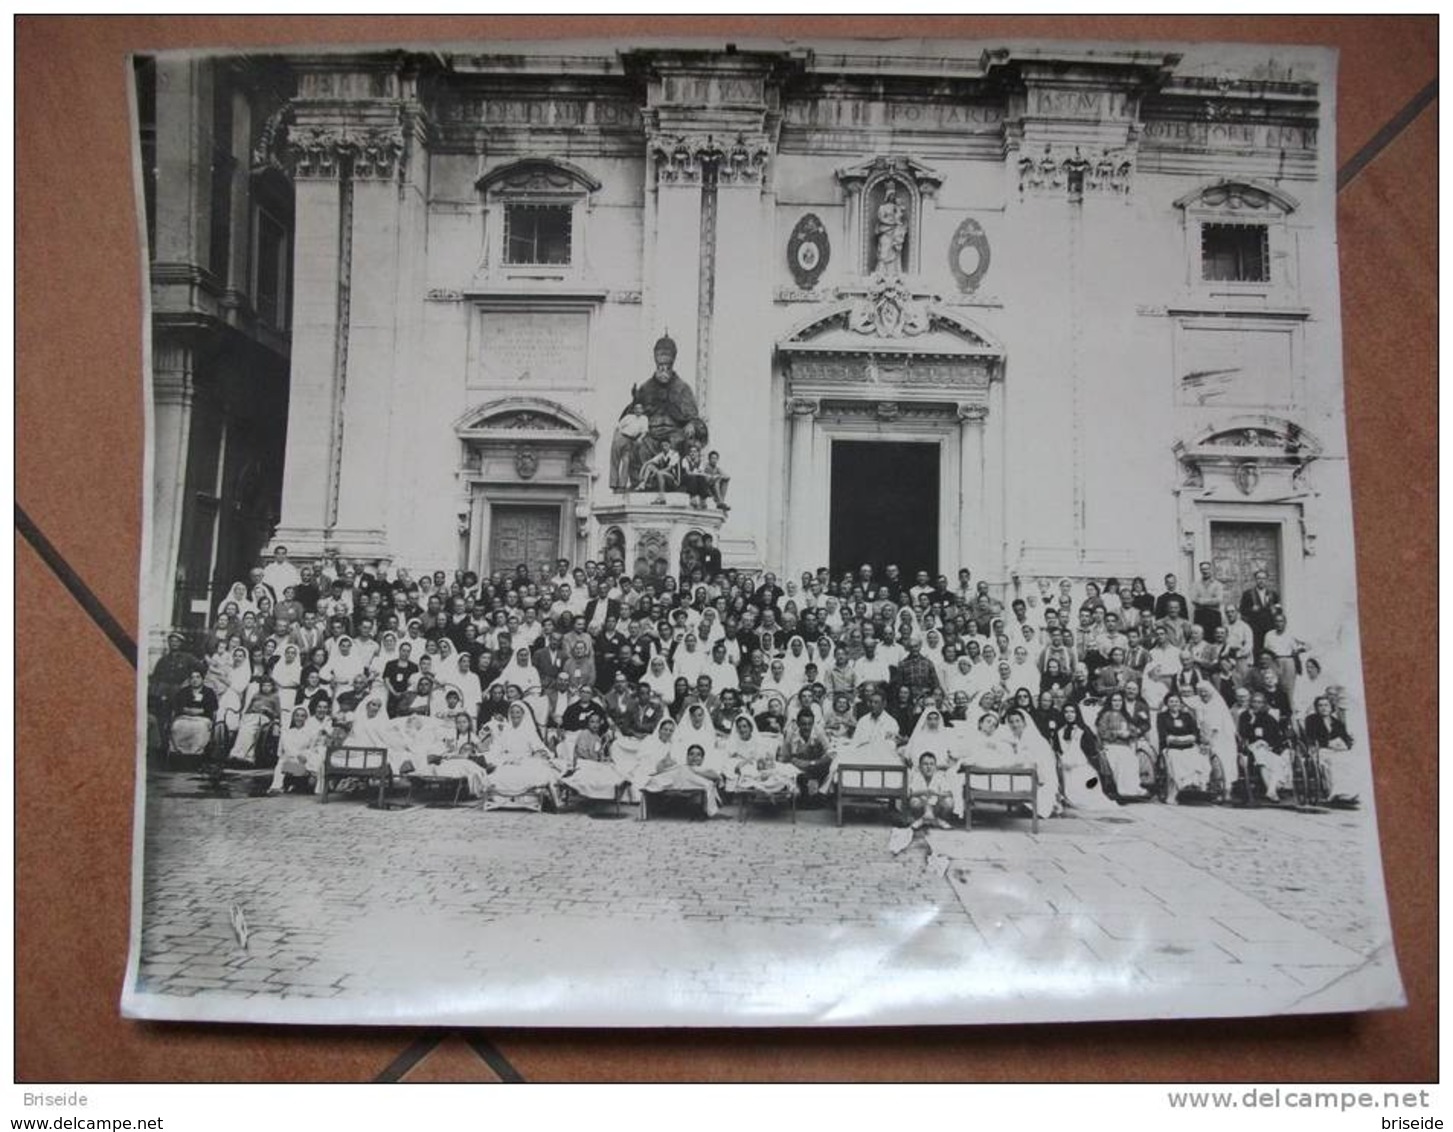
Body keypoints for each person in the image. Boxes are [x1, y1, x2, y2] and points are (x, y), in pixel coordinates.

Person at [609, 334, 707, 492]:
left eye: (667, 360)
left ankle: (674, 482)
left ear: (673, 360)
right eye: (660, 360)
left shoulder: (683, 388)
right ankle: (636, 484)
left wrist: (690, 424)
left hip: (674, 433)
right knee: (636, 445)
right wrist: (634, 400)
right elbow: (632, 414)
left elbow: (694, 418)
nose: (663, 367)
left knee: (678, 443)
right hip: (650, 434)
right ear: (655, 359)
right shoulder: (646, 387)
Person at [1305, 694, 1364, 805]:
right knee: (1334, 761)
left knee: (1350, 760)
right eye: (1320, 705)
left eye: (1326, 705)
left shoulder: (1337, 723)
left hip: (1337, 751)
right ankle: (1335, 793)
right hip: (1320, 750)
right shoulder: (1311, 720)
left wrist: (1345, 744)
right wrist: (1328, 743)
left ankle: (1349, 792)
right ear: (1316, 708)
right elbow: (1310, 736)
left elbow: (1345, 738)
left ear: (1331, 707)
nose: (1323, 708)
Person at [906, 752, 957, 830]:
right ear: (920, 767)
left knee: (949, 802)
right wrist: (925, 791)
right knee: (914, 801)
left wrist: (936, 793)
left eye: (931, 764)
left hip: (936, 807)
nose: (929, 767)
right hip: (922, 806)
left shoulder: (939, 776)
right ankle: (921, 820)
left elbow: (949, 793)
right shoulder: (917, 776)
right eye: (925, 764)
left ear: (935, 767)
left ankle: (939, 820)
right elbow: (911, 793)